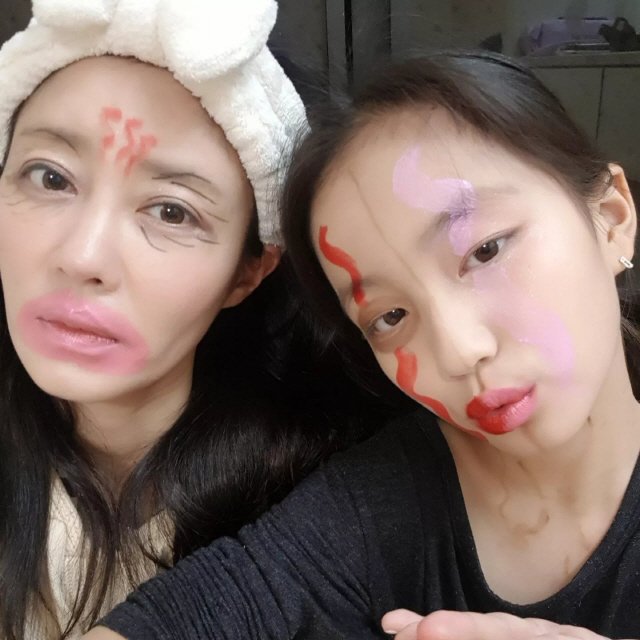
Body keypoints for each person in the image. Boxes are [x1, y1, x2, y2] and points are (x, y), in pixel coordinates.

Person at [85, 51, 640, 640]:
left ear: (612, 217)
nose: (458, 351)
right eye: (389, 316)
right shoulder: (376, 506)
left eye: (486, 250)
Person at [0, 0, 405, 638]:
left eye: (172, 212)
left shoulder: (333, 501)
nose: (82, 257)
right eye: (50, 177)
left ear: (248, 272)